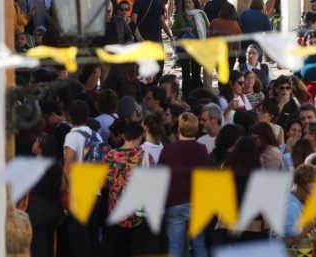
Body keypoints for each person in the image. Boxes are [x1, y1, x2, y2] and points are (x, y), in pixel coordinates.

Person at [160, 112, 209, 257]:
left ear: (179, 129)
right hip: (197, 202)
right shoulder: (202, 149)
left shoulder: (168, 149)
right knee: (199, 245)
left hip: (175, 202)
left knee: (175, 247)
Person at [62, 100, 103, 256]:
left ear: (69, 116)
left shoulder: (72, 136)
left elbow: (68, 165)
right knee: (92, 237)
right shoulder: (96, 135)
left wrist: (65, 191)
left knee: (78, 238)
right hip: (95, 191)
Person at [102, 121, 149, 257]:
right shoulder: (145, 157)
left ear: (123, 136)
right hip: (137, 216)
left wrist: (114, 185)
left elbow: (102, 182)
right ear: (140, 137)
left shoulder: (111, 156)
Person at [28, 134, 63, 257]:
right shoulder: (57, 166)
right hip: (53, 209)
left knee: (37, 247)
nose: (33, 144)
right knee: (49, 246)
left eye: (36, 142)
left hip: (36, 210)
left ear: (39, 147)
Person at [281, 164, 316, 256]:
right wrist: (305, 229)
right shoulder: (291, 207)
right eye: (310, 194)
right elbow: (282, 242)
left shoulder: (299, 203)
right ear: (298, 187)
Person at [172, 0, 209, 93]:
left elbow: (207, 29)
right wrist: (183, 29)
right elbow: (174, 31)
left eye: (190, 2)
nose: (188, 4)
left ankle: (197, 91)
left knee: (196, 70)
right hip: (183, 48)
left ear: (194, 3)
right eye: (186, 3)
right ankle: (186, 92)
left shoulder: (201, 14)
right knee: (185, 70)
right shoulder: (180, 15)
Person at [208, 3, 243, 69]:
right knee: (229, 73)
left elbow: (209, 36)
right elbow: (238, 41)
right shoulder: (235, 24)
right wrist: (238, 52)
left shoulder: (214, 22)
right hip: (230, 53)